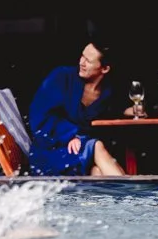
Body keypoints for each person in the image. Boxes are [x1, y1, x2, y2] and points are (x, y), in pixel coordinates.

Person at [28, 41, 126, 177]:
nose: (81, 62)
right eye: (82, 56)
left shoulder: (107, 92)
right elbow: (39, 115)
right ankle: (132, 194)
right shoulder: (61, 77)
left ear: (104, 69)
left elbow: (112, 112)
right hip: (53, 149)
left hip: (80, 151)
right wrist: (69, 135)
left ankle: (125, 195)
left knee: (97, 172)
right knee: (96, 146)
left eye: (88, 61)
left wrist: (128, 111)